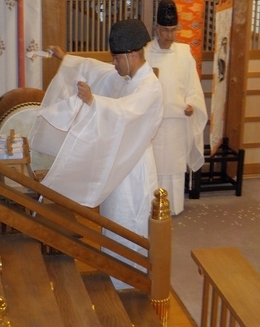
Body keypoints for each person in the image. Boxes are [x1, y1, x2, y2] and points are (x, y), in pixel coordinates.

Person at [28, 19, 163, 288]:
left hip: (134, 168)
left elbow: (124, 113)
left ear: (132, 55)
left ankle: (132, 284)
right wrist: (66, 59)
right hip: (119, 163)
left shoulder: (150, 87)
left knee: (130, 222)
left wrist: (94, 101)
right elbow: (98, 71)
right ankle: (114, 279)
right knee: (114, 221)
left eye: (116, 58)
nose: (113, 63)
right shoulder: (126, 76)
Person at [144, 0, 208, 215]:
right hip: (155, 123)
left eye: (173, 30)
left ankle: (175, 207)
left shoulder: (184, 52)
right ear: (156, 29)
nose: (169, 36)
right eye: (164, 30)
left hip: (178, 122)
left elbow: (193, 87)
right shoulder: (145, 53)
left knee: (174, 166)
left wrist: (192, 105)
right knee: (156, 167)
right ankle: (153, 206)